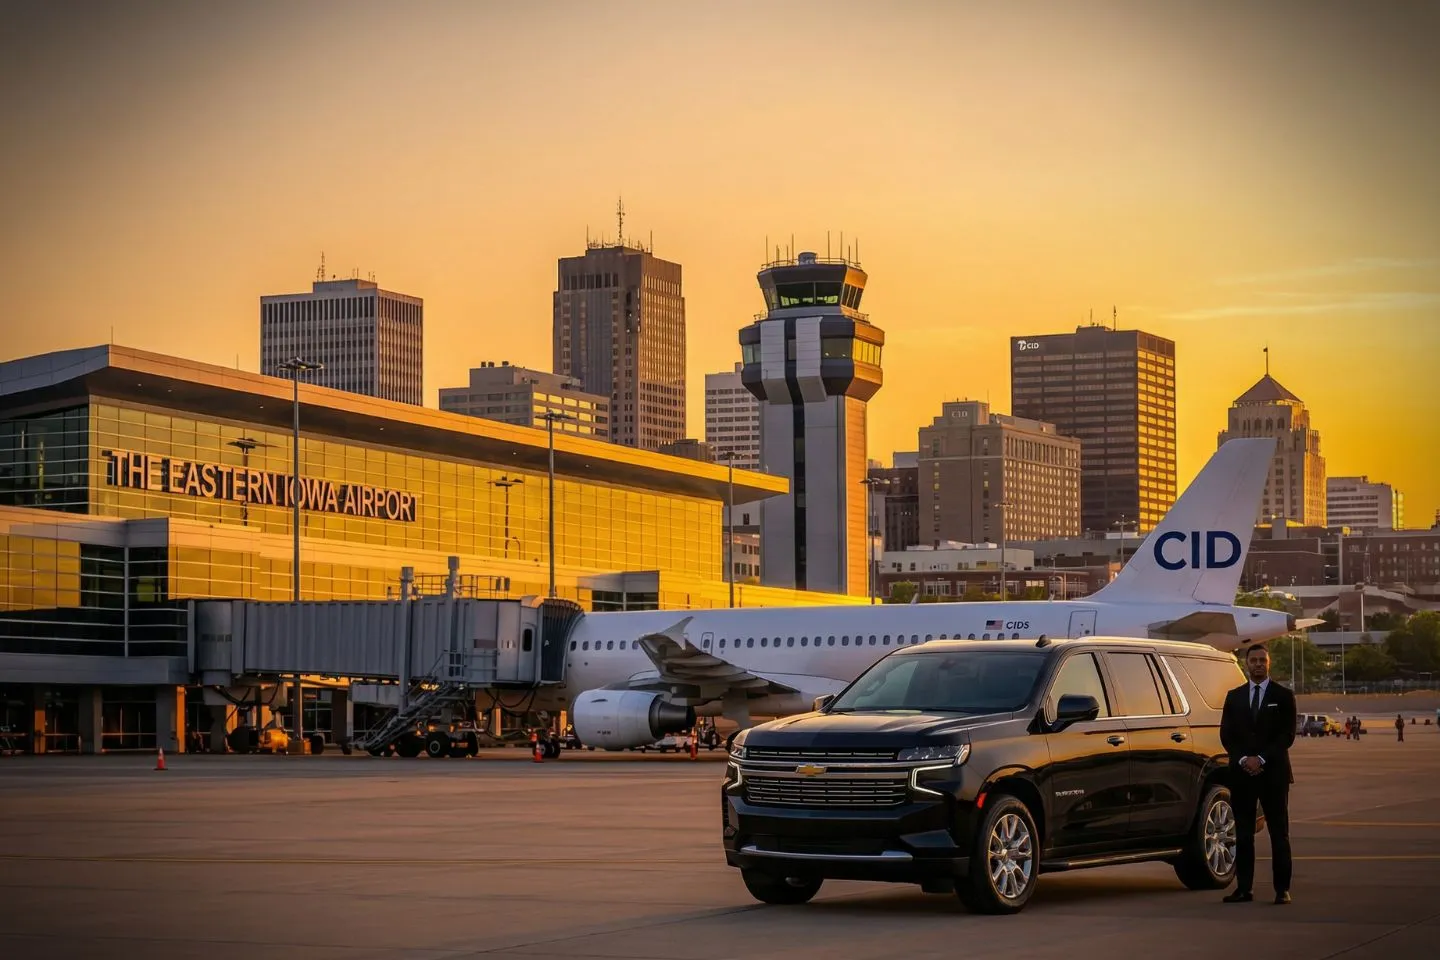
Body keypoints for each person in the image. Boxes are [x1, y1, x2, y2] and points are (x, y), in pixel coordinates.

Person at [1220, 644, 1297, 905]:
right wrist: (1243, 759)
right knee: (1242, 834)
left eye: (1262, 660)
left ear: (1269, 663)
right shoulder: (1234, 697)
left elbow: (1286, 736)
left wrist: (1261, 758)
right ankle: (1244, 889)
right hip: (1242, 775)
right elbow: (1226, 736)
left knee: (1279, 833)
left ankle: (1282, 889)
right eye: (1253, 660)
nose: (1258, 664)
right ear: (1246, 664)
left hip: (1273, 774)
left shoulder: (1284, 696)